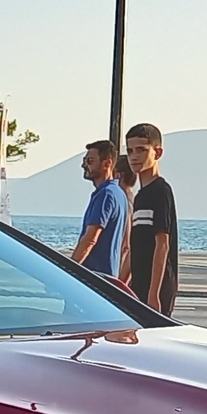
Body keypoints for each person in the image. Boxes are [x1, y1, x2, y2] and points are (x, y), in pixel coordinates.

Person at [122, 122, 178, 314]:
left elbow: (162, 244)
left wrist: (154, 293)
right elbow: (135, 246)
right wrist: (120, 285)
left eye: (141, 150)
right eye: (130, 151)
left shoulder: (161, 191)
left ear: (157, 152)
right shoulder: (140, 197)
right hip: (139, 284)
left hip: (157, 287)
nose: (134, 156)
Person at [68, 139, 129, 279]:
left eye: (90, 161)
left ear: (106, 164)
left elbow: (90, 238)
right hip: (107, 277)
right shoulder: (119, 194)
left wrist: (70, 269)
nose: (83, 165)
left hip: (94, 278)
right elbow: (125, 244)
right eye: (84, 160)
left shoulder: (106, 194)